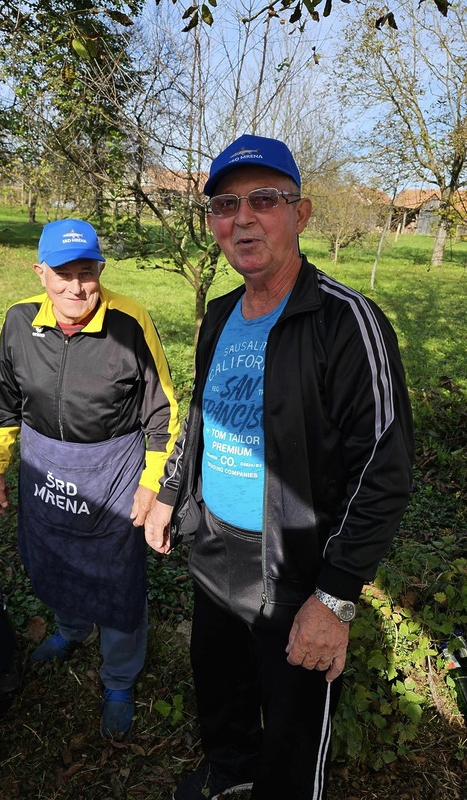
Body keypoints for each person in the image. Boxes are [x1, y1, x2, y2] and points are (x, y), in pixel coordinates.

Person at [144, 135, 414, 799]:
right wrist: (169, 491)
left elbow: (384, 468)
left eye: (264, 200)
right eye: (224, 205)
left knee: (292, 732)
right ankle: (229, 774)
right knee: (221, 692)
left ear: (301, 213)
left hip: (294, 566)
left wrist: (335, 595)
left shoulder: (346, 321)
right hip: (214, 550)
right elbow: (201, 415)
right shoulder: (219, 316)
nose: (242, 219)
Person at [0, 218, 179, 739]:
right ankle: (70, 628)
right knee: (55, 557)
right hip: (44, 469)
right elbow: (4, 401)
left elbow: (163, 411)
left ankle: (119, 677)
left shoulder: (129, 322)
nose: (76, 287)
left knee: (115, 577)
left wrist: (152, 484)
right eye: (63, 273)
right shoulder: (19, 321)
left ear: (101, 270)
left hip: (112, 475)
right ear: (40, 272)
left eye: (86, 272)